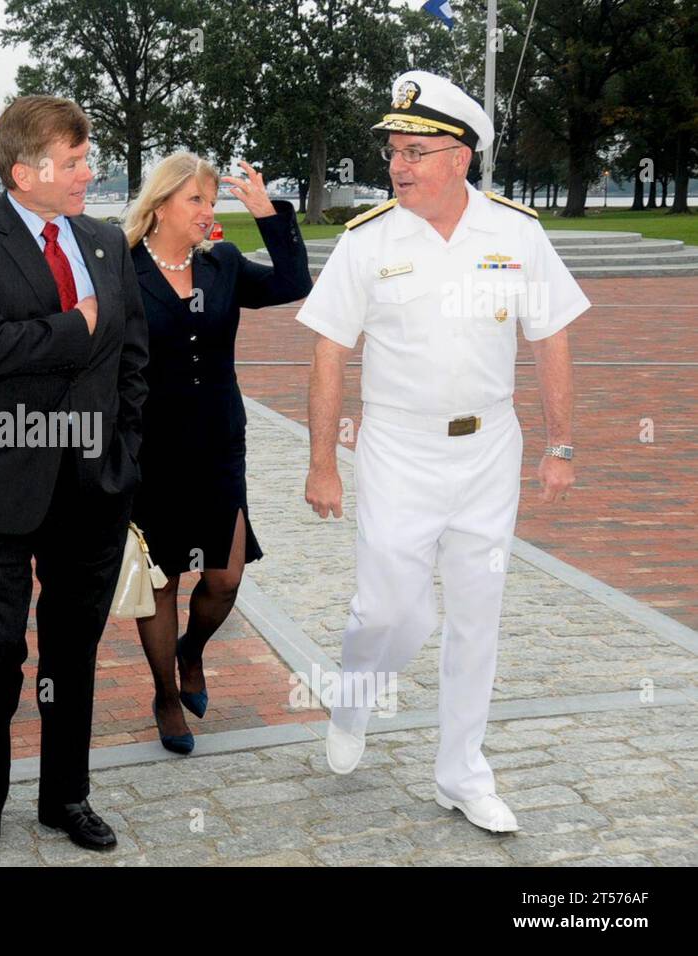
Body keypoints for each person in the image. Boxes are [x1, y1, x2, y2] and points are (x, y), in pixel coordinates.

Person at [297, 71, 587, 833]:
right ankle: (356, 696)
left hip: (489, 445)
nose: (399, 164)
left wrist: (559, 442)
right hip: (397, 447)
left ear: (460, 157)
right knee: (393, 606)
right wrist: (322, 460)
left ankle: (461, 773)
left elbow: (551, 335)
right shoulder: (368, 240)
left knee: (477, 613)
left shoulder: (516, 234)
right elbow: (330, 351)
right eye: (395, 150)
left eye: (416, 151)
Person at [0, 95, 148, 852]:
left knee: (71, 649)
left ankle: (66, 796)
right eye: (76, 159)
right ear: (25, 172)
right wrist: (76, 327)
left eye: (88, 157)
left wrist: (123, 448)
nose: (90, 172)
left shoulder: (105, 243)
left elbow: (133, 358)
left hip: (92, 483)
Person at [124, 152, 311, 754]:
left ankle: (191, 652)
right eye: (196, 201)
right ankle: (164, 695)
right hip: (150, 448)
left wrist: (269, 215)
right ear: (160, 207)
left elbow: (292, 284)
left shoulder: (223, 264)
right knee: (162, 579)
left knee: (225, 578)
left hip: (218, 444)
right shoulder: (122, 269)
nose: (208, 213)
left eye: (213, 201)